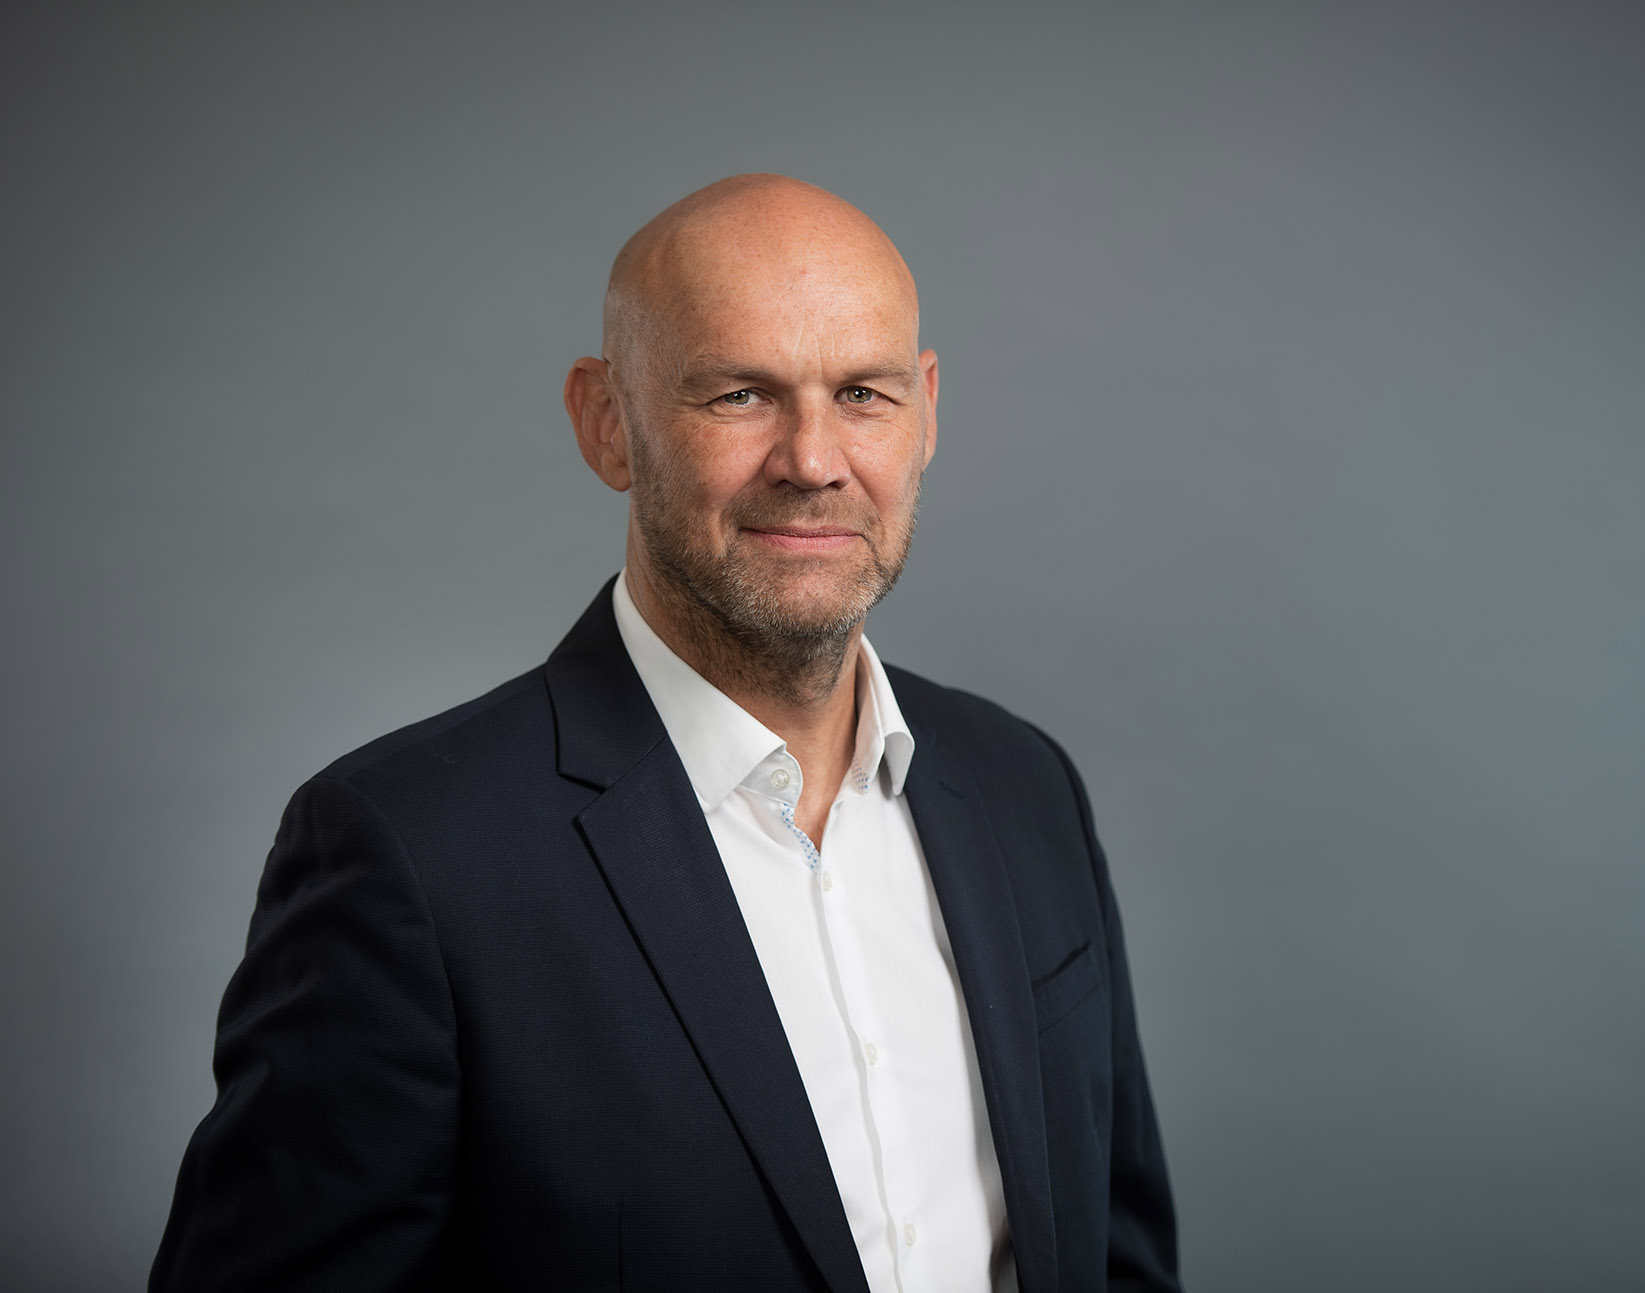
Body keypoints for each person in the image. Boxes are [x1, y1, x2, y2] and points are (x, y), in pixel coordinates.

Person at [151, 174, 1179, 1293]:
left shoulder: (1024, 787)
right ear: (608, 424)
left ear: (925, 412)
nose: (812, 459)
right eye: (740, 394)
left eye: (864, 394)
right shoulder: (409, 858)